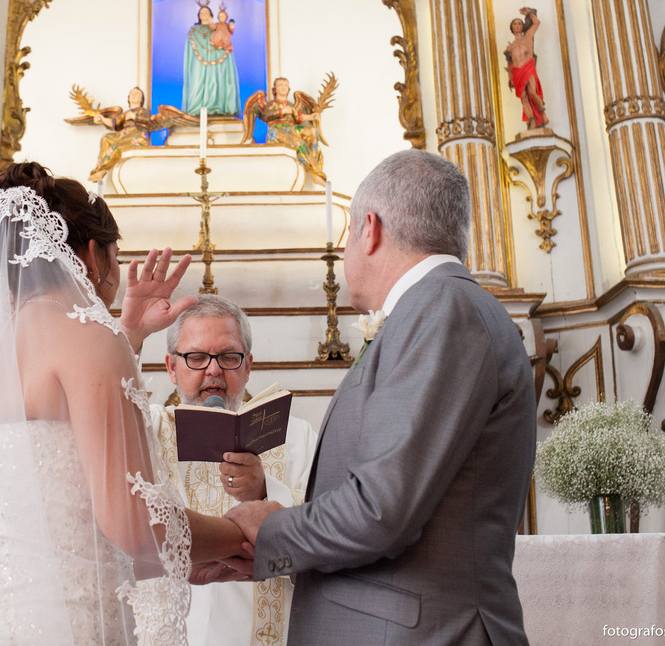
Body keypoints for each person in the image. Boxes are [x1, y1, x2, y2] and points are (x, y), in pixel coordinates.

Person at [0, 162, 248, 645]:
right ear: (93, 256)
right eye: (116, 259)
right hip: (70, 627)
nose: (116, 277)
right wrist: (235, 530)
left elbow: (48, 525)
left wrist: (128, 334)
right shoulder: (91, 340)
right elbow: (130, 522)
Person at [223, 149, 536, 646]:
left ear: (369, 228)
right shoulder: (433, 309)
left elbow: (381, 509)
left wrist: (274, 532)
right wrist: (267, 552)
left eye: (347, 234)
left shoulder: (442, 309)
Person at [143, 295, 317, 646]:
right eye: (195, 357)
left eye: (228, 356)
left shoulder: (296, 437)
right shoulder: (144, 430)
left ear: (248, 365)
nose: (213, 370)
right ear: (171, 366)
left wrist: (267, 491)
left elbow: (332, 528)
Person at [183, 3, 240, 116]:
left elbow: (225, 39)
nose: (203, 14)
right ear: (198, 15)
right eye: (201, 12)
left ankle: (217, 106)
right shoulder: (193, 31)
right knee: (197, 81)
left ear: (211, 15)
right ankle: (196, 107)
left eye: (206, 12)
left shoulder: (217, 28)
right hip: (198, 61)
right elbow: (189, 51)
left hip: (216, 60)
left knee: (216, 81)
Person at [89, 87, 156, 182]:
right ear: (128, 98)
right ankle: (98, 168)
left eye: (137, 93)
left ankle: (102, 171)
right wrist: (102, 119)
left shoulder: (142, 111)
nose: (134, 95)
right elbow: (115, 123)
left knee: (116, 146)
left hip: (136, 134)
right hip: (124, 133)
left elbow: (147, 120)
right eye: (131, 93)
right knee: (106, 137)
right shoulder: (125, 113)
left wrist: (134, 116)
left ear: (141, 99)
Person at [504, 7, 546, 129]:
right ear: (512, 28)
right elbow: (509, 64)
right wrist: (510, 78)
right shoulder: (510, 48)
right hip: (517, 72)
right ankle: (532, 120)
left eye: (519, 24)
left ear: (522, 26)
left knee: (532, 92)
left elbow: (537, 23)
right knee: (524, 98)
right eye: (514, 24)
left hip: (527, 68)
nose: (517, 26)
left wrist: (530, 13)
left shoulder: (527, 37)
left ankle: (543, 115)